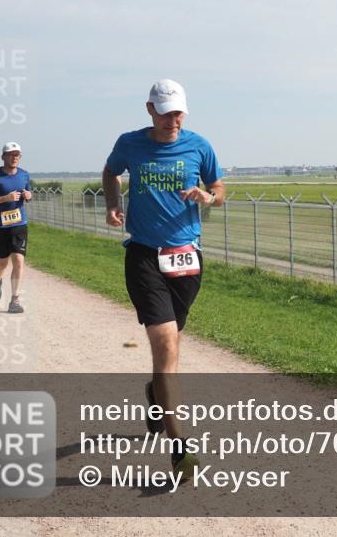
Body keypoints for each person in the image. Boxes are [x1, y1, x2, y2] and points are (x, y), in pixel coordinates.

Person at [103, 79, 224, 481]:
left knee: (171, 350)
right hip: (143, 254)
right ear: (150, 110)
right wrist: (113, 204)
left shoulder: (199, 145)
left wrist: (210, 197)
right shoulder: (130, 143)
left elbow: (219, 188)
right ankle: (180, 449)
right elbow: (110, 172)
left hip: (187, 258)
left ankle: (156, 395)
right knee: (166, 343)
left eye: (179, 112)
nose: (174, 119)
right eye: (167, 111)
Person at [0, 143, 32, 314]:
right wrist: (5, 198)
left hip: (19, 224)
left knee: (18, 259)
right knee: (3, 261)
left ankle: (15, 300)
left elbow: (29, 193)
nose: (15, 157)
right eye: (11, 154)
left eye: (17, 154)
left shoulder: (24, 175)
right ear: (3, 156)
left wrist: (29, 195)